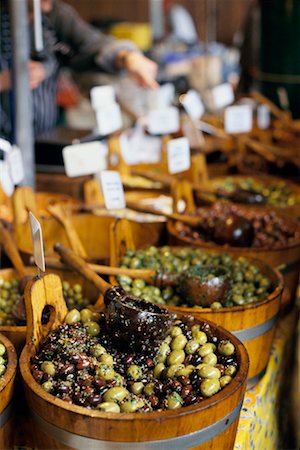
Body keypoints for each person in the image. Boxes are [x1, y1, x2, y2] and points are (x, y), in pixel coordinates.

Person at [0, 0, 158, 141]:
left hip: (43, 139)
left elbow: (93, 43)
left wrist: (128, 58)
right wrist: (6, 80)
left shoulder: (55, 15)